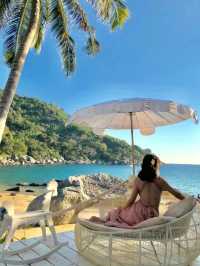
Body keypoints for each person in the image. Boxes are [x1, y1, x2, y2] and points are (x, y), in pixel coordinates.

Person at [90, 154, 185, 228]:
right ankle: (100, 221)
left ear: (144, 165)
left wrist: (123, 208)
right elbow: (176, 193)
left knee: (118, 215)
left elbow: (131, 200)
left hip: (138, 213)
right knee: (119, 215)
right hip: (152, 216)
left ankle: (99, 221)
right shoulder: (160, 181)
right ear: (156, 166)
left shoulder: (138, 180)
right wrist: (187, 200)